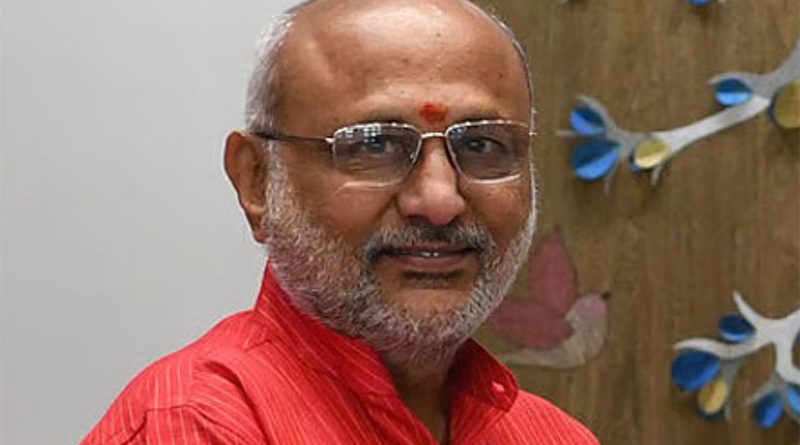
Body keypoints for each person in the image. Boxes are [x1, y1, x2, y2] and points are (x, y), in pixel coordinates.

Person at [81, 0, 600, 443]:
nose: (440, 200)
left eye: (482, 144)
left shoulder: (552, 436)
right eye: (375, 145)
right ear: (256, 181)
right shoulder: (193, 423)